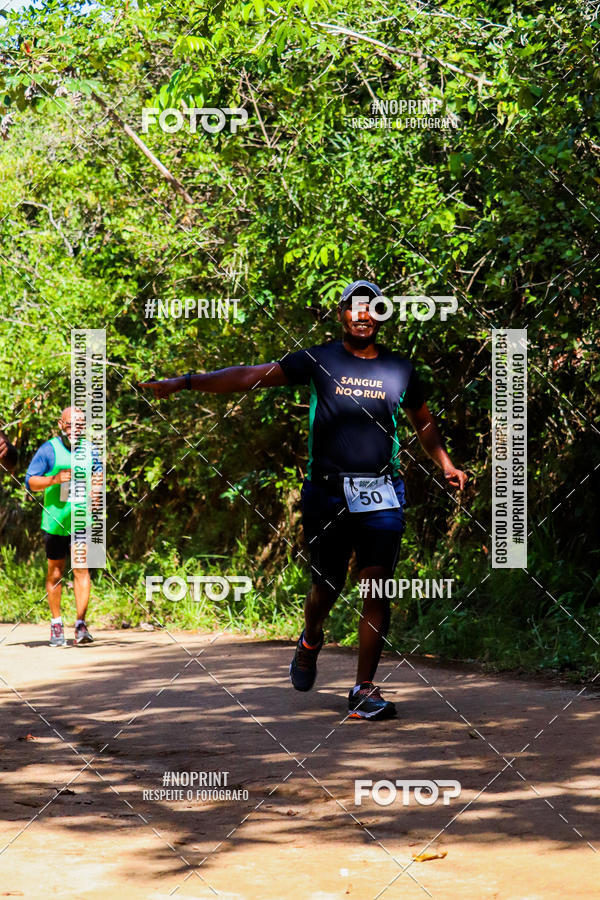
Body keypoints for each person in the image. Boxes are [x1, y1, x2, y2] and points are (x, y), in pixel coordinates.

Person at [140, 279, 467, 720]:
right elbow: (251, 376)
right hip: (326, 493)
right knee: (326, 586)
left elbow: (422, 421)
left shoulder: (400, 369)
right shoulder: (319, 360)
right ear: (341, 314)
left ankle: (364, 689)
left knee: (376, 585)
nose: (364, 315)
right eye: (355, 307)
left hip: (381, 492)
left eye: (372, 308)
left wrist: (444, 463)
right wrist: (185, 382)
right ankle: (311, 636)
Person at [25, 407, 100, 647]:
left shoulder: (91, 450)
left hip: (81, 520)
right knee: (56, 572)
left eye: (79, 425)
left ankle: (80, 624)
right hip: (55, 521)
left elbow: (97, 474)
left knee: (82, 569)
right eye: (70, 424)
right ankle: (56, 623)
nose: (74, 429)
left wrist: (96, 493)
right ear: (61, 425)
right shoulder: (49, 450)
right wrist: (54, 479)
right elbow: (31, 482)